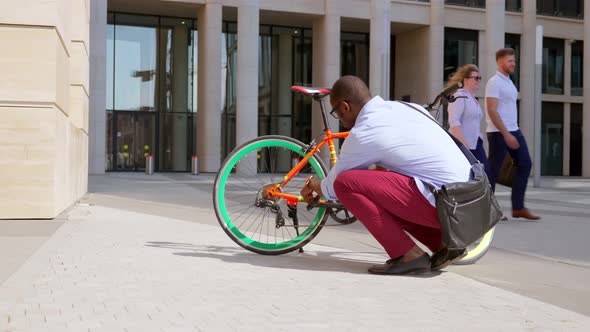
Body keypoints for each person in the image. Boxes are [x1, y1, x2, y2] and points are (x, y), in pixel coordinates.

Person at [300, 76, 471, 275]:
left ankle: (408, 255)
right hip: (467, 199)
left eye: (337, 113)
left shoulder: (364, 131)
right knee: (382, 188)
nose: (340, 120)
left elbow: (332, 188)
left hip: (446, 204)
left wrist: (313, 183)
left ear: (345, 107)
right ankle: (444, 245)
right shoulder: (407, 107)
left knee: (345, 183)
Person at [485, 48, 540, 220]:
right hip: (498, 132)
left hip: (514, 129)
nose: (513, 64)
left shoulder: (509, 82)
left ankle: (518, 207)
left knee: (525, 164)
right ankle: (489, 211)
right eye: (510, 61)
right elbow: (492, 111)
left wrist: (511, 132)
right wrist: (506, 134)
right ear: (500, 62)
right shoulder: (494, 83)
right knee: (493, 172)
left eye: (514, 61)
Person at [447, 64, 491, 180]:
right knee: (479, 176)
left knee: (484, 175)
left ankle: (483, 198)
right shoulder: (459, 96)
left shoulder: (472, 98)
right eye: (476, 78)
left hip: (476, 143)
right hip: (465, 145)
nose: (478, 81)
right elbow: (454, 121)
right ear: (466, 79)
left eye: (479, 78)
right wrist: (464, 146)